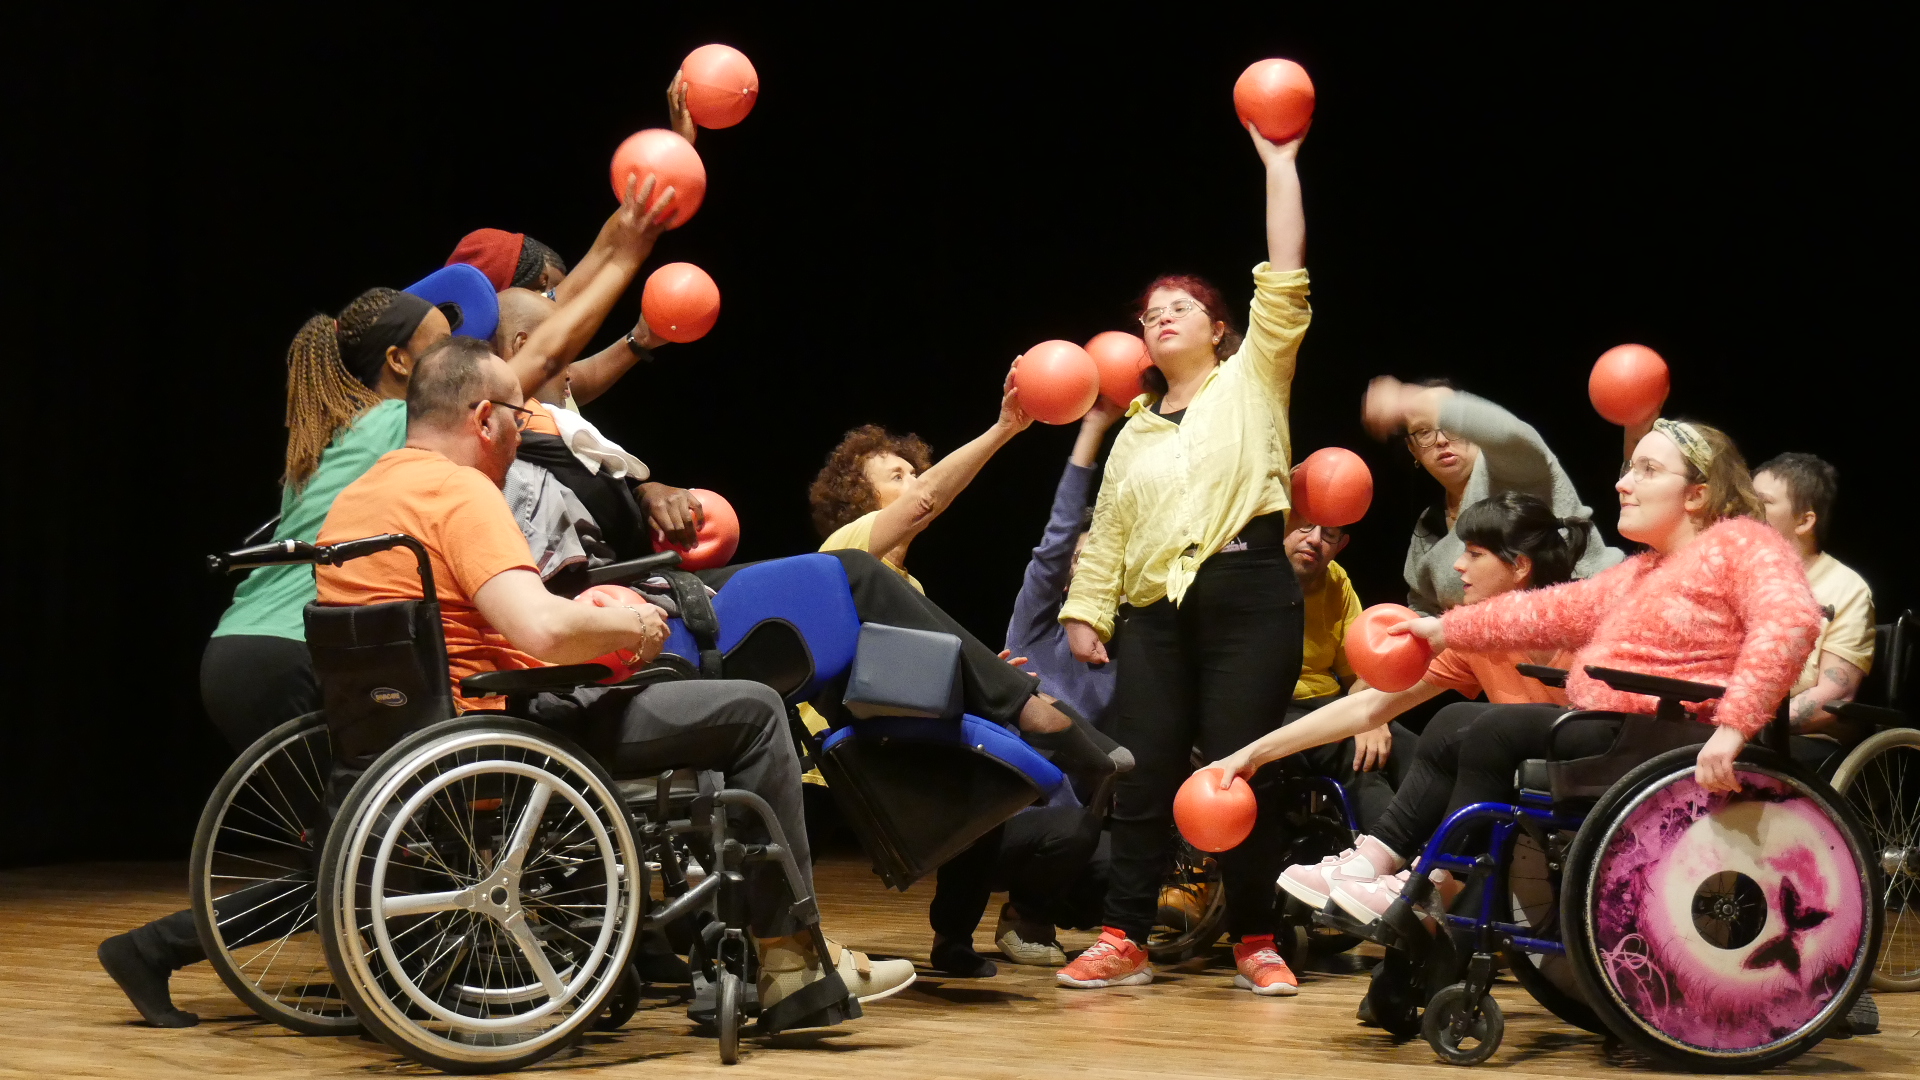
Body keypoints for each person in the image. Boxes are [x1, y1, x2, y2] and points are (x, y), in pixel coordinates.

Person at [94, 180, 676, 1030]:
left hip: (252, 648)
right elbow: (544, 355)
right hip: (288, 653)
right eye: (449, 344)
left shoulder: (340, 437)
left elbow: (552, 361)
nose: (467, 357)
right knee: (363, 857)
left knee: (361, 851)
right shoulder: (391, 430)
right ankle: (185, 953)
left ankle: (399, 972)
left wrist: (620, 258)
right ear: (406, 368)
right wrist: (623, 246)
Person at [312, 337, 915, 1030]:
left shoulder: (362, 495)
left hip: (403, 733)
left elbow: (461, 622)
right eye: (519, 415)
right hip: (503, 727)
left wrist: (584, 620)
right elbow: (539, 627)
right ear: (483, 418)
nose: (525, 430)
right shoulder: (461, 493)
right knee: (751, 709)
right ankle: (788, 961)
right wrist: (630, 626)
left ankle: (731, 941)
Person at [1275, 419, 1821, 929]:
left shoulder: (1743, 545)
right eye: (1631, 468)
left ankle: (1433, 884)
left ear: (1698, 494)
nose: (1623, 482)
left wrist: (1733, 728)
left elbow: (1792, 622)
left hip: (1671, 733)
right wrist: (1446, 631)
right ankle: (1381, 866)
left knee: (1489, 727)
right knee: (1457, 721)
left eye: (1647, 471)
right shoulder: (1647, 568)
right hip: (1620, 727)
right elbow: (1548, 609)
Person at [1054, 118, 1311, 997]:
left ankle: (1256, 937)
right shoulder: (1133, 432)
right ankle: (1123, 934)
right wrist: (1088, 610)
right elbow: (1112, 529)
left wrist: (1278, 162)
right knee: (1146, 771)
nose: (1159, 315)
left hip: (1249, 589)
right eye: (1148, 310)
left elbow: (1283, 272)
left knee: (1241, 767)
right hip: (1154, 611)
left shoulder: (1255, 379)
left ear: (1222, 328)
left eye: (1180, 306)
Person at [1208, 491, 1586, 896]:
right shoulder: (1472, 639)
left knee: (1464, 722)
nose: (1458, 565)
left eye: (1475, 554)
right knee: (1451, 728)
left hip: (1591, 767)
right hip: (1515, 774)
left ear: (1520, 566)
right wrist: (1250, 755)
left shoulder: (1582, 621)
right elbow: (1370, 706)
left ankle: (1432, 876)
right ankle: (1379, 865)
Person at [919, 402, 1128, 978]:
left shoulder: (1128, 645)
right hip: (1001, 817)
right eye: (1077, 561)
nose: (1084, 568)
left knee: (1118, 868)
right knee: (1007, 817)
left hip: (1064, 836)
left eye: (1099, 563)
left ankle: (1026, 916)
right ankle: (974, 932)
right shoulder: (1038, 624)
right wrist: (1092, 432)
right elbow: (1057, 536)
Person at [1360, 378, 1620, 615]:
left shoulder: (1512, 470)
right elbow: (1423, 606)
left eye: (1451, 425)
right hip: (1488, 654)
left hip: (1589, 619)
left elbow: (1510, 435)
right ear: (1412, 449)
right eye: (1424, 431)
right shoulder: (1429, 524)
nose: (1441, 441)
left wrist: (1410, 399)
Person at [809, 366, 1033, 593]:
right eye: (897, 477)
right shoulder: (845, 545)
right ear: (859, 495)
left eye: (914, 474)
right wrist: (1004, 428)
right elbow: (925, 495)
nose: (916, 483)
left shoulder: (914, 587)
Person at [1281, 512, 1414, 832]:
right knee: (1360, 757)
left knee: (1415, 749)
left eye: (1328, 534)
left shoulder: (1337, 580)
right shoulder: (1253, 578)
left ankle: (1451, 861)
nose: (1314, 539)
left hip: (1329, 701)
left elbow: (1362, 671)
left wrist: (1371, 715)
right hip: (1274, 704)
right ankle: (1397, 865)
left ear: (1341, 545)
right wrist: (1356, 721)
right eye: (1304, 526)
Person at [1753, 452, 1875, 773]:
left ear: (1804, 521)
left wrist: (1747, 725)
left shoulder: (1847, 588)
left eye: (1762, 502)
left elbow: (1834, 695)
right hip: (1740, 723)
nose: (1747, 511)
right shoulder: (1740, 577)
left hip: (1803, 738)